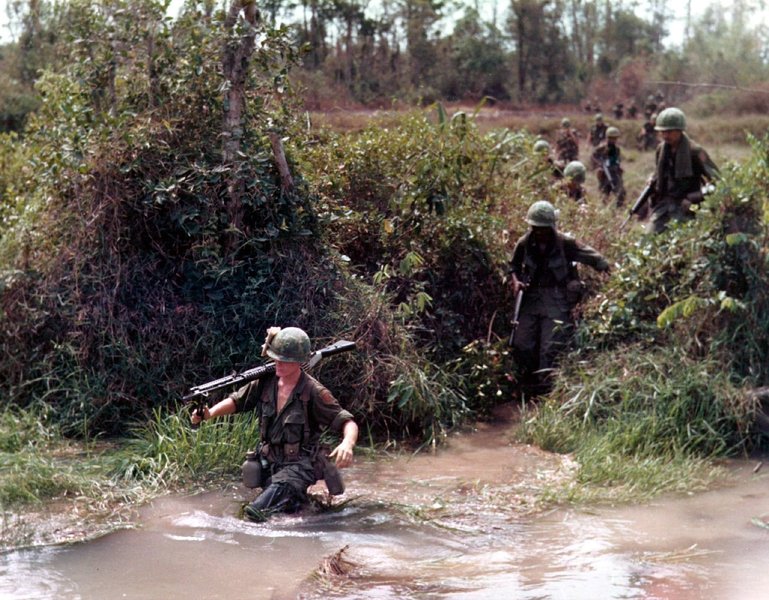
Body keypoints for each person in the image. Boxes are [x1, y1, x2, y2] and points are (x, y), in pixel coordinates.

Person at [191, 326, 359, 522]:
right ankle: (308, 509)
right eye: (275, 357)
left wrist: (347, 444)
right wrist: (210, 413)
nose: (277, 363)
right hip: (271, 462)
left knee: (254, 513)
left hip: (300, 465)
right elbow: (237, 401)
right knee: (288, 512)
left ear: (299, 362)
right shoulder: (265, 382)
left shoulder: (313, 391)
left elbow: (348, 422)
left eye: (284, 360)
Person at [508, 201, 610, 393]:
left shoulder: (565, 243)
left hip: (557, 298)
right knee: (522, 343)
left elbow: (591, 256)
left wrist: (606, 266)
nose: (540, 232)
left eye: (544, 228)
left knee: (552, 345)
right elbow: (512, 266)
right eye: (536, 228)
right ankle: (525, 383)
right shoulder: (525, 242)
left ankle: (546, 388)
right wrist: (515, 281)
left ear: (553, 226)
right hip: (531, 298)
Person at [645, 107, 719, 234]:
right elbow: (660, 173)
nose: (665, 135)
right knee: (646, 242)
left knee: (682, 246)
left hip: (686, 208)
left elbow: (718, 183)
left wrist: (694, 197)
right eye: (662, 131)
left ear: (680, 131)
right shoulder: (661, 150)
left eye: (669, 131)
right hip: (663, 206)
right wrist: (652, 178)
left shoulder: (695, 152)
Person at [591, 127, 626, 207]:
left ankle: (619, 208)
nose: (614, 140)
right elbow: (593, 156)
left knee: (621, 191)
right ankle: (604, 209)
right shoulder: (602, 147)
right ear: (608, 137)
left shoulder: (617, 149)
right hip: (605, 172)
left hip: (615, 171)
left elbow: (617, 160)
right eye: (612, 138)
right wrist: (599, 164)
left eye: (615, 138)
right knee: (604, 192)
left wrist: (619, 166)